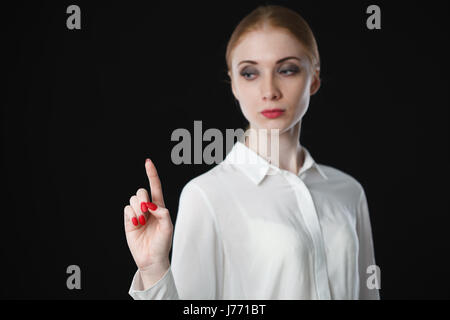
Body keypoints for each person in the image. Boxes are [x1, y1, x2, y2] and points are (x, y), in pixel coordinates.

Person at [123, 4, 380, 300]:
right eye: (250, 73)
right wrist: (154, 269)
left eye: (287, 69)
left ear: (314, 79)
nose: (269, 90)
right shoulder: (206, 195)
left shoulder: (348, 191)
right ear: (233, 84)